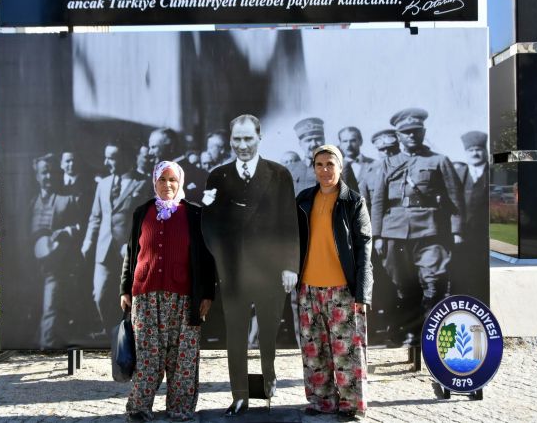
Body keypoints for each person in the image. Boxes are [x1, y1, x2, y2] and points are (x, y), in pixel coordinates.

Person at [201, 114, 299, 416]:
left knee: (268, 332)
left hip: (271, 271)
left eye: (248, 139)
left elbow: (289, 223)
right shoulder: (218, 176)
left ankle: (267, 384)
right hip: (234, 273)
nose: (243, 145)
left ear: (259, 138)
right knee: (236, 334)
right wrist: (222, 260)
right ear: (231, 141)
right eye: (237, 140)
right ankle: (240, 395)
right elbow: (209, 225)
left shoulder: (279, 174)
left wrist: (289, 266)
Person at [120, 161, 217, 422]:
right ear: (154, 182)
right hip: (146, 297)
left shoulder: (193, 215)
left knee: (182, 357)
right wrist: (124, 289)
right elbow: (131, 252)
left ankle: (180, 408)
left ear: (180, 182)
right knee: (148, 356)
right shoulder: (142, 212)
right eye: (162, 180)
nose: (167, 185)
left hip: (185, 297)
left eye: (172, 180)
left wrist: (207, 293)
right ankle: (139, 408)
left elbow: (206, 258)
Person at [369, 108, 464, 346]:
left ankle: (432, 330)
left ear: (423, 132)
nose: (411, 136)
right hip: (394, 232)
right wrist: (378, 235)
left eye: (416, 131)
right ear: (399, 136)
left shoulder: (438, 161)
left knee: (435, 279)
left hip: (430, 231)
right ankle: (412, 330)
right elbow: (379, 201)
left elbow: (455, 199)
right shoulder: (388, 164)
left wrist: (457, 231)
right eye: (406, 132)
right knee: (404, 285)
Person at [295, 145, 372, 420]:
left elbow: (364, 249)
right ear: (313, 168)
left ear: (340, 167)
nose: (325, 170)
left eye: (330, 164)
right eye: (319, 164)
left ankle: (352, 406)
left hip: (343, 290)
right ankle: (321, 402)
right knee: (314, 350)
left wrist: (363, 292)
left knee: (347, 353)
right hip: (308, 290)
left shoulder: (353, 201)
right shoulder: (303, 200)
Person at [82, 143, 147, 335]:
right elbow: (96, 216)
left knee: (131, 295)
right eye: (106, 157)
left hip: (129, 249)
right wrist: (87, 241)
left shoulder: (141, 183)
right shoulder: (103, 184)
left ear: (125, 158)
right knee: (100, 295)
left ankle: (129, 332)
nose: (106, 162)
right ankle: (110, 331)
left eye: (111, 158)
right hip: (104, 249)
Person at [30, 154, 82, 348]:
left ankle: (47, 345)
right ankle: (38, 342)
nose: (48, 177)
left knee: (50, 307)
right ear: (37, 176)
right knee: (34, 308)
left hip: (56, 265)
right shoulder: (30, 202)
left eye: (51, 172)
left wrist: (66, 231)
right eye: (44, 173)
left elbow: (81, 226)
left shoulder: (67, 200)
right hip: (31, 266)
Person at [451, 131, 490, 301]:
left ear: (485, 150)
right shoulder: (459, 174)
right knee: (462, 273)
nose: (475, 153)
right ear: (466, 153)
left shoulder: (493, 173)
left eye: (479, 149)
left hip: (486, 236)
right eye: (471, 150)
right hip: (463, 235)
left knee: (483, 273)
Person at [288, 118, 357, 194]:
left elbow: (354, 202)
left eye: (318, 139)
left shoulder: (342, 166)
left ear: (324, 140)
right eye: (308, 140)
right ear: (300, 144)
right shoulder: (291, 170)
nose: (314, 144)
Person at [147, 128, 209, 204]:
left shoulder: (197, 175)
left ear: (171, 146)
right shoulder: (155, 174)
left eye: (154, 147)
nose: (150, 152)